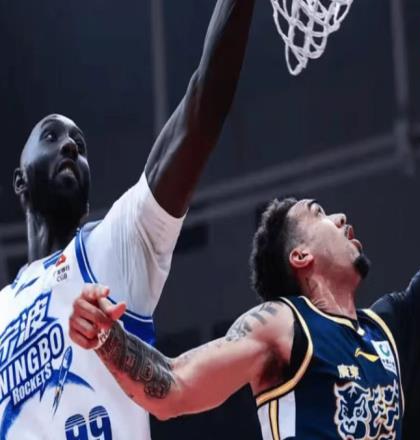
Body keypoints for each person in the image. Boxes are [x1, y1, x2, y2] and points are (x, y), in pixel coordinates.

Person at [69, 88, 420, 440]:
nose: (340, 218)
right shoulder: (282, 325)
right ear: (300, 256)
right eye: (319, 213)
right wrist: (107, 337)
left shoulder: (388, 329)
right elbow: (175, 384)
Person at [0, 1, 255, 439]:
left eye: (80, 145)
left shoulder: (113, 246)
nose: (70, 147)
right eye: (52, 137)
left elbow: (200, 112)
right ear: (20, 181)